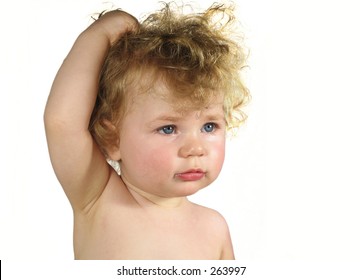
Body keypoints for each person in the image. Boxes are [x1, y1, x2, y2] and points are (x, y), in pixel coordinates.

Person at [44, 2, 249, 260]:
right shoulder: (97, 197)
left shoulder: (214, 228)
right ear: (114, 139)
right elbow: (62, 122)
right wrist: (105, 31)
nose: (196, 149)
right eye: (168, 128)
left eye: (209, 126)